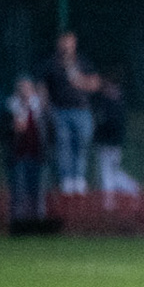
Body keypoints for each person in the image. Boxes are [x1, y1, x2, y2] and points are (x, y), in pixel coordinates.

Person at [42, 30, 101, 195]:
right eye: (63, 42)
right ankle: (66, 179)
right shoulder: (51, 64)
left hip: (82, 111)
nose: (66, 46)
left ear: (74, 43)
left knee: (82, 144)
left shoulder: (83, 62)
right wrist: (46, 108)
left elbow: (95, 83)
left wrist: (79, 80)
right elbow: (43, 87)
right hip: (60, 111)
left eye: (69, 42)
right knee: (64, 145)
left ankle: (79, 178)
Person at [3, 77, 49, 222]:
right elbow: (1, 132)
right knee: (18, 190)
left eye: (27, 89)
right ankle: (18, 222)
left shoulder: (41, 109)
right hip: (17, 156)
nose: (24, 92)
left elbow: (50, 131)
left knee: (38, 191)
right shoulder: (9, 108)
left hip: (38, 155)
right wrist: (12, 127)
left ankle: (38, 221)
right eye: (21, 89)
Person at [91, 82, 139, 209]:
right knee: (112, 172)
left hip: (108, 145)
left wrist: (99, 136)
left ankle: (108, 204)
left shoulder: (111, 106)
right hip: (111, 144)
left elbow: (107, 126)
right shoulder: (115, 105)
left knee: (106, 173)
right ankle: (131, 187)